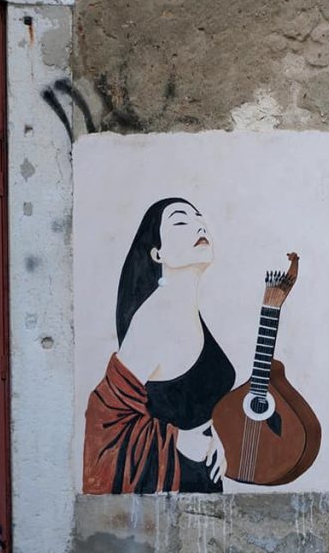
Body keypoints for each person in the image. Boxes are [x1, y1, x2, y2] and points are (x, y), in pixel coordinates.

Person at [83, 197, 236, 493]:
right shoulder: (153, 322)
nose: (198, 224)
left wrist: (211, 434)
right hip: (173, 489)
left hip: (201, 475)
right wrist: (178, 440)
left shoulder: (184, 309)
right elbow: (102, 414)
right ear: (157, 253)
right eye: (181, 221)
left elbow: (185, 402)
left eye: (199, 216)